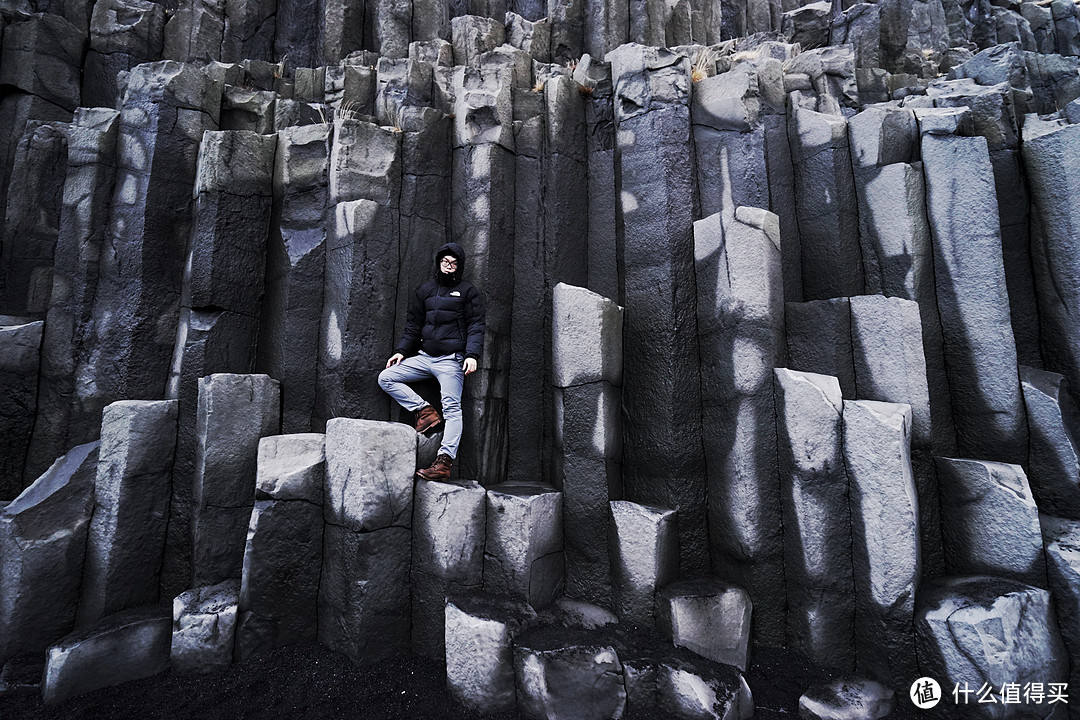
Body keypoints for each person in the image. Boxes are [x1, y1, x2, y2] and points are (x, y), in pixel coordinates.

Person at [378, 242, 485, 480]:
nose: (449, 266)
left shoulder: (468, 292)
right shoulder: (425, 290)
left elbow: (476, 325)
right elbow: (414, 325)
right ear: (438, 262)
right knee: (386, 377)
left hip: (451, 361)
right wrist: (402, 351)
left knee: (453, 409)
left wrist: (471, 355)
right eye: (445, 262)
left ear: (460, 266)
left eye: (454, 263)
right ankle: (424, 411)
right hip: (424, 358)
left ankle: (444, 462)